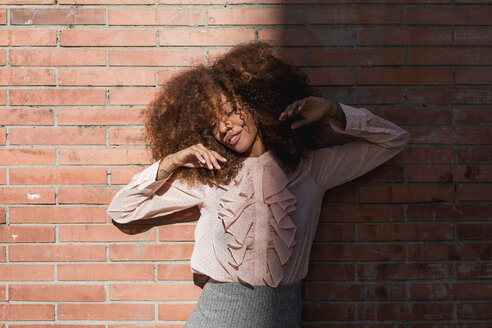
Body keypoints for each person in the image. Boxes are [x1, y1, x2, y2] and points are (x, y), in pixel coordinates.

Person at [107, 41, 410, 327]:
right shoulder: (212, 176)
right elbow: (122, 210)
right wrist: (172, 162)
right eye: (212, 125)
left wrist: (333, 110)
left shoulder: (312, 169)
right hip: (216, 316)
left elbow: (394, 140)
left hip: (282, 314)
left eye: (228, 111)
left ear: (255, 103)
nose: (223, 127)